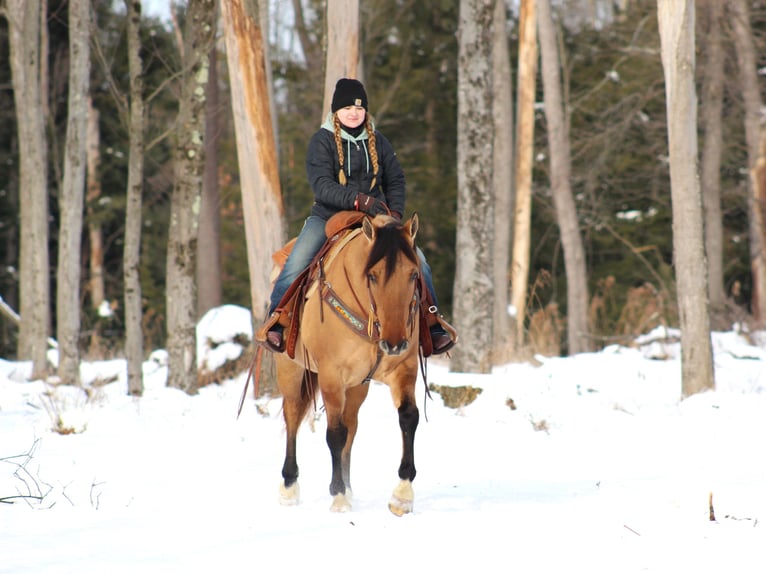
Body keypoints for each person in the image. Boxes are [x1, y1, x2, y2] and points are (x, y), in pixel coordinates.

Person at [257, 78, 456, 355]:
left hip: (379, 221)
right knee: (298, 262)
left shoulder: (379, 141)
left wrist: (394, 215)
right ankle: (277, 321)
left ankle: (432, 326)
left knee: (418, 263)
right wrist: (359, 200)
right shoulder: (322, 141)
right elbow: (322, 185)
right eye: (348, 107)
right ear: (336, 110)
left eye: (359, 108)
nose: (354, 112)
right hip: (329, 216)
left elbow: (396, 179)